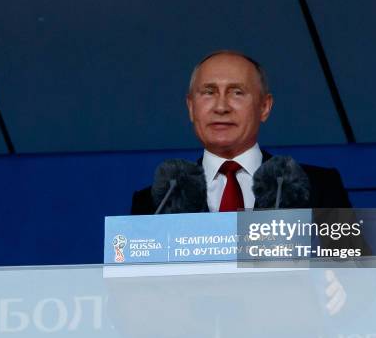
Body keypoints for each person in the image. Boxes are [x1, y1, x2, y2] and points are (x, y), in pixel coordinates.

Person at [131, 50, 355, 215]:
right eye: (208, 93)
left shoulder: (319, 188)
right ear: (191, 107)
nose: (221, 107)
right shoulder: (155, 203)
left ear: (264, 107)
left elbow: (351, 272)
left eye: (237, 93)